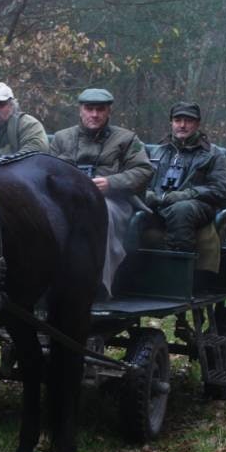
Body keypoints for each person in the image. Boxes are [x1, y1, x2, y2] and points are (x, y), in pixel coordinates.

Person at [50, 88, 152, 296]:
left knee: (98, 213)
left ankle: (99, 285)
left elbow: (144, 170)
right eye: (89, 109)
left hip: (113, 201)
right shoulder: (61, 138)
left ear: (108, 112)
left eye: (100, 109)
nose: (94, 114)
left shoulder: (127, 139)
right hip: (67, 199)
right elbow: (48, 170)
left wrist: (111, 183)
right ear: (81, 110)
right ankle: (43, 281)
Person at [144, 102, 226, 252]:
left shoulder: (213, 154)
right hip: (157, 203)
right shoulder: (156, 152)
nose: (182, 125)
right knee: (127, 206)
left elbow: (220, 189)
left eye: (188, 121)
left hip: (195, 206)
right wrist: (146, 194)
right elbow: (140, 180)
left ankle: (178, 265)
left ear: (197, 124)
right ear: (171, 122)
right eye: (178, 120)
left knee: (181, 209)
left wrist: (186, 194)